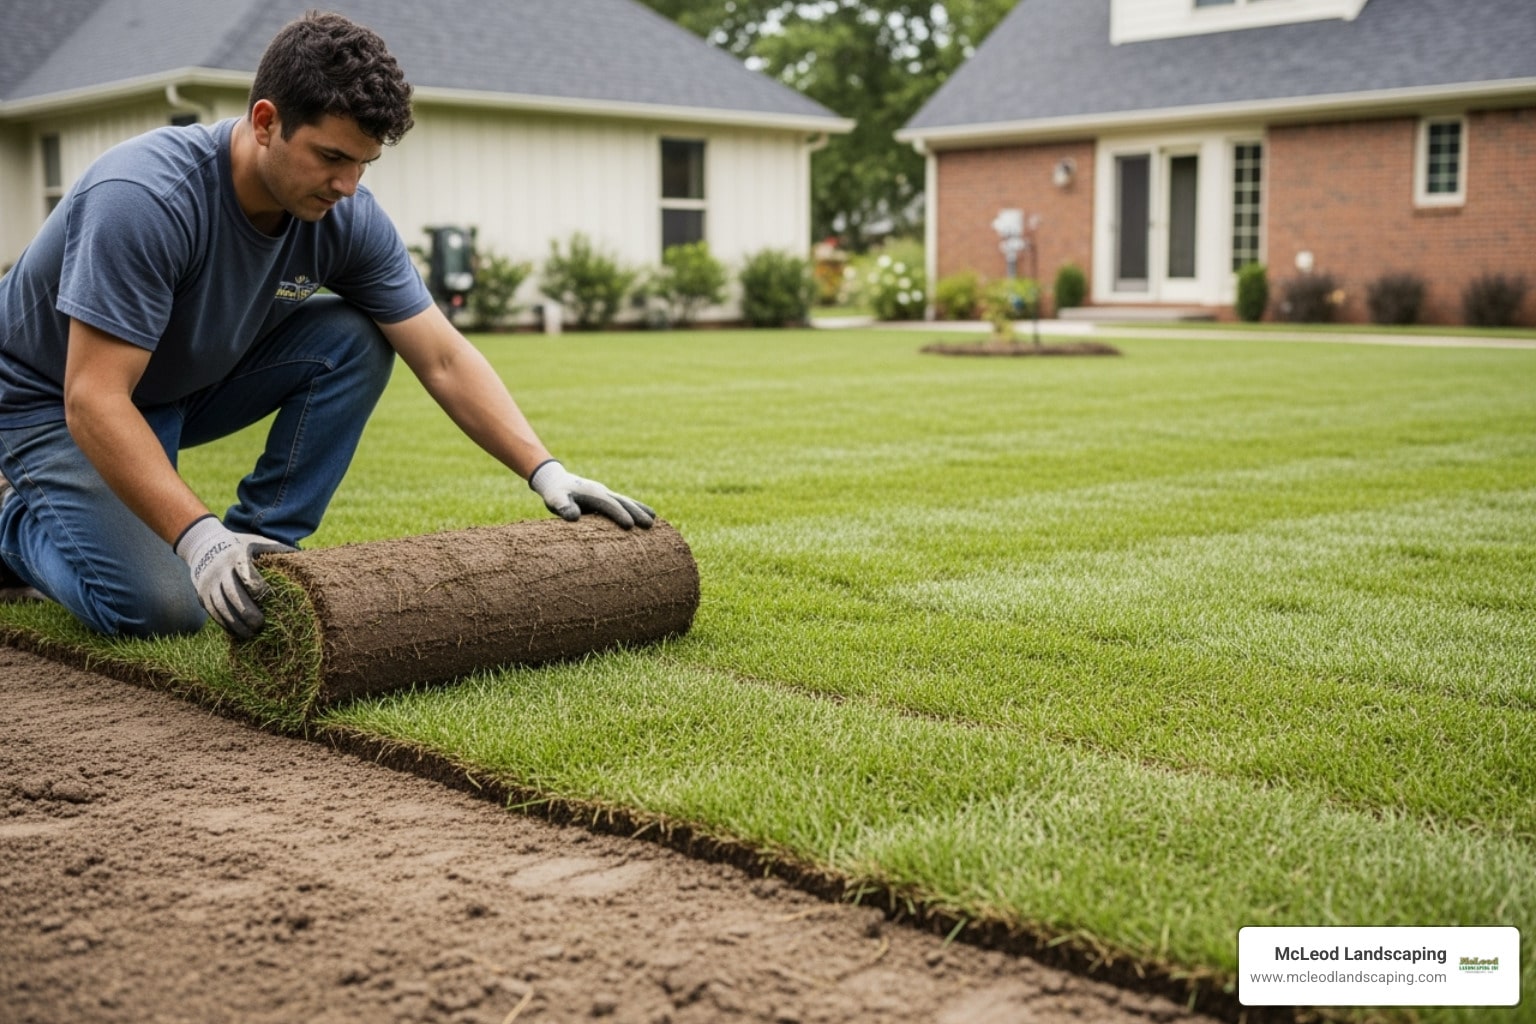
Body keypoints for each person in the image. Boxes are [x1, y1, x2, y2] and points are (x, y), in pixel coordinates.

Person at [0, 11, 653, 641]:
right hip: (46, 399)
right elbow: (93, 398)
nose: (347, 185)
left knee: (357, 335)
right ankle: (11, 521)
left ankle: (262, 541)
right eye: (331, 156)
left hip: (174, 387)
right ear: (266, 122)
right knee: (161, 607)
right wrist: (197, 539)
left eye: (364, 163)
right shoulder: (145, 199)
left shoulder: (344, 216)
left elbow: (443, 357)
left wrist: (546, 470)